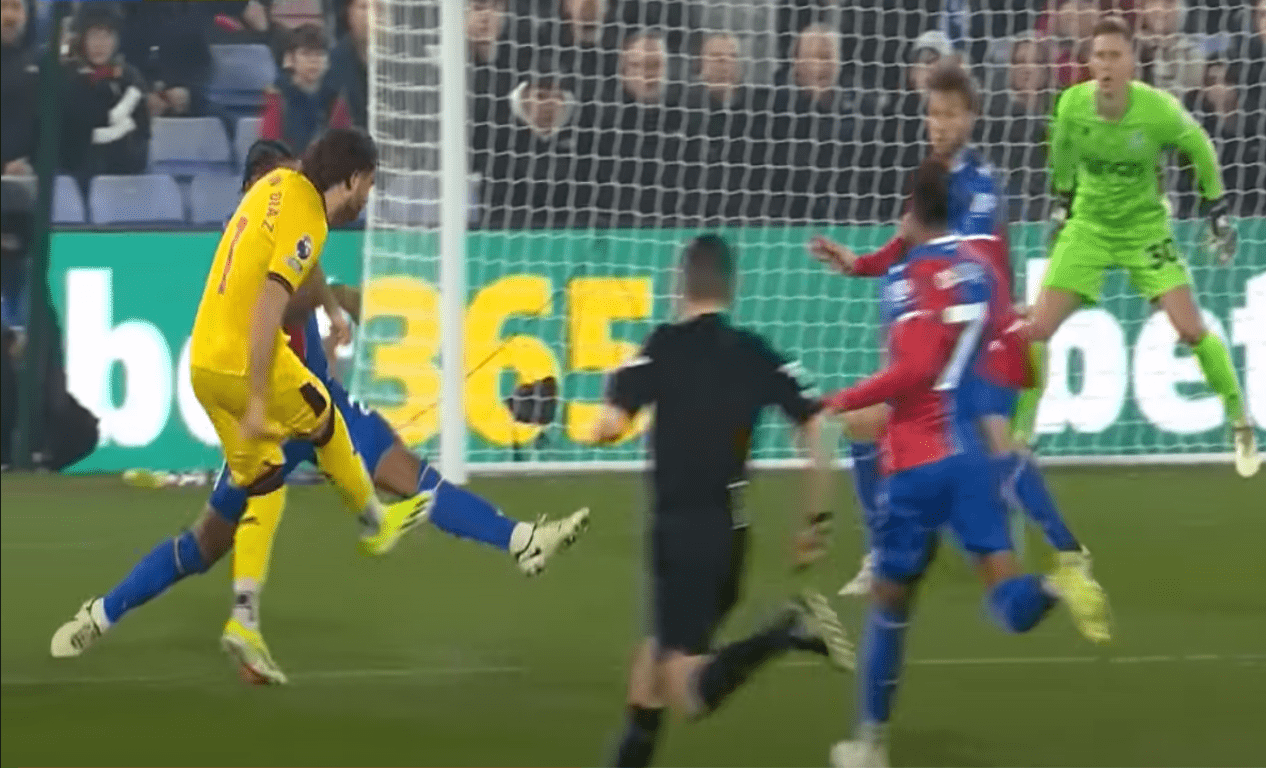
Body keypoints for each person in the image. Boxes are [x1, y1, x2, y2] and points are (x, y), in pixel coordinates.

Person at [123, 139, 592, 683]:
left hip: (316, 400)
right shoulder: (256, 234)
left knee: (407, 474)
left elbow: (304, 289)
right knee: (206, 543)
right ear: (257, 183)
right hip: (281, 411)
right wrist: (340, 299)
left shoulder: (291, 224)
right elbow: (277, 306)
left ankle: (519, 539)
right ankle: (116, 613)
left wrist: (331, 309)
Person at [49, 128, 426, 659]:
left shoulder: (273, 209)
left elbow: (306, 269)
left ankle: (126, 616)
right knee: (305, 437)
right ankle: (375, 523)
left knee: (267, 481)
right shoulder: (300, 222)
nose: (368, 195)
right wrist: (259, 400)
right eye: (367, 184)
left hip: (225, 370)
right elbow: (276, 301)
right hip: (260, 383)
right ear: (350, 178)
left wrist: (333, 308)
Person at [825, 160, 1110, 768]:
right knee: (1007, 598)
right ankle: (1055, 584)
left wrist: (844, 399)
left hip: (916, 462)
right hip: (972, 459)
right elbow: (1007, 358)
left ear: (910, 209)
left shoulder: (904, 278)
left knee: (890, 602)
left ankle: (869, 743)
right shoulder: (983, 271)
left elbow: (912, 370)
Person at [808, 61, 1095, 598]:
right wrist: (859, 264)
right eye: (933, 114)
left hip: (986, 343)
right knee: (870, 427)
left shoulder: (981, 185)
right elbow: (909, 245)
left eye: (949, 115)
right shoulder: (928, 180)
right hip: (947, 344)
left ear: (971, 118)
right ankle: (884, 551)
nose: (939, 125)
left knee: (994, 442)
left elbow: (970, 267)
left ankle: (1067, 550)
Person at [593, 234, 853, 768]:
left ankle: (787, 631)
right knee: (649, 670)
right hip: (728, 534)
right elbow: (819, 425)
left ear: (679, 284)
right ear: (731, 288)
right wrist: (816, 520)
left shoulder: (662, 345)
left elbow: (609, 426)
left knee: (684, 690)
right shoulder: (754, 352)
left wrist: (605, 405)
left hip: (681, 537)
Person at [1017, 16, 1258, 478]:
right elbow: (1061, 150)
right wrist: (1062, 201)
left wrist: (1216, 209)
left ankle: (1239, 420)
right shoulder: (1072, 104)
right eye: (1099, 56)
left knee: (1190, 328)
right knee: (1037, 328)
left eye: (1115, 56)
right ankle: (1022, 434)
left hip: (1144, 228)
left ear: (1132, 63)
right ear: (1090, 62)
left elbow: (1201, 148)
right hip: (1089, 226)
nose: (1106, 65)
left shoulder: (1158, 110)